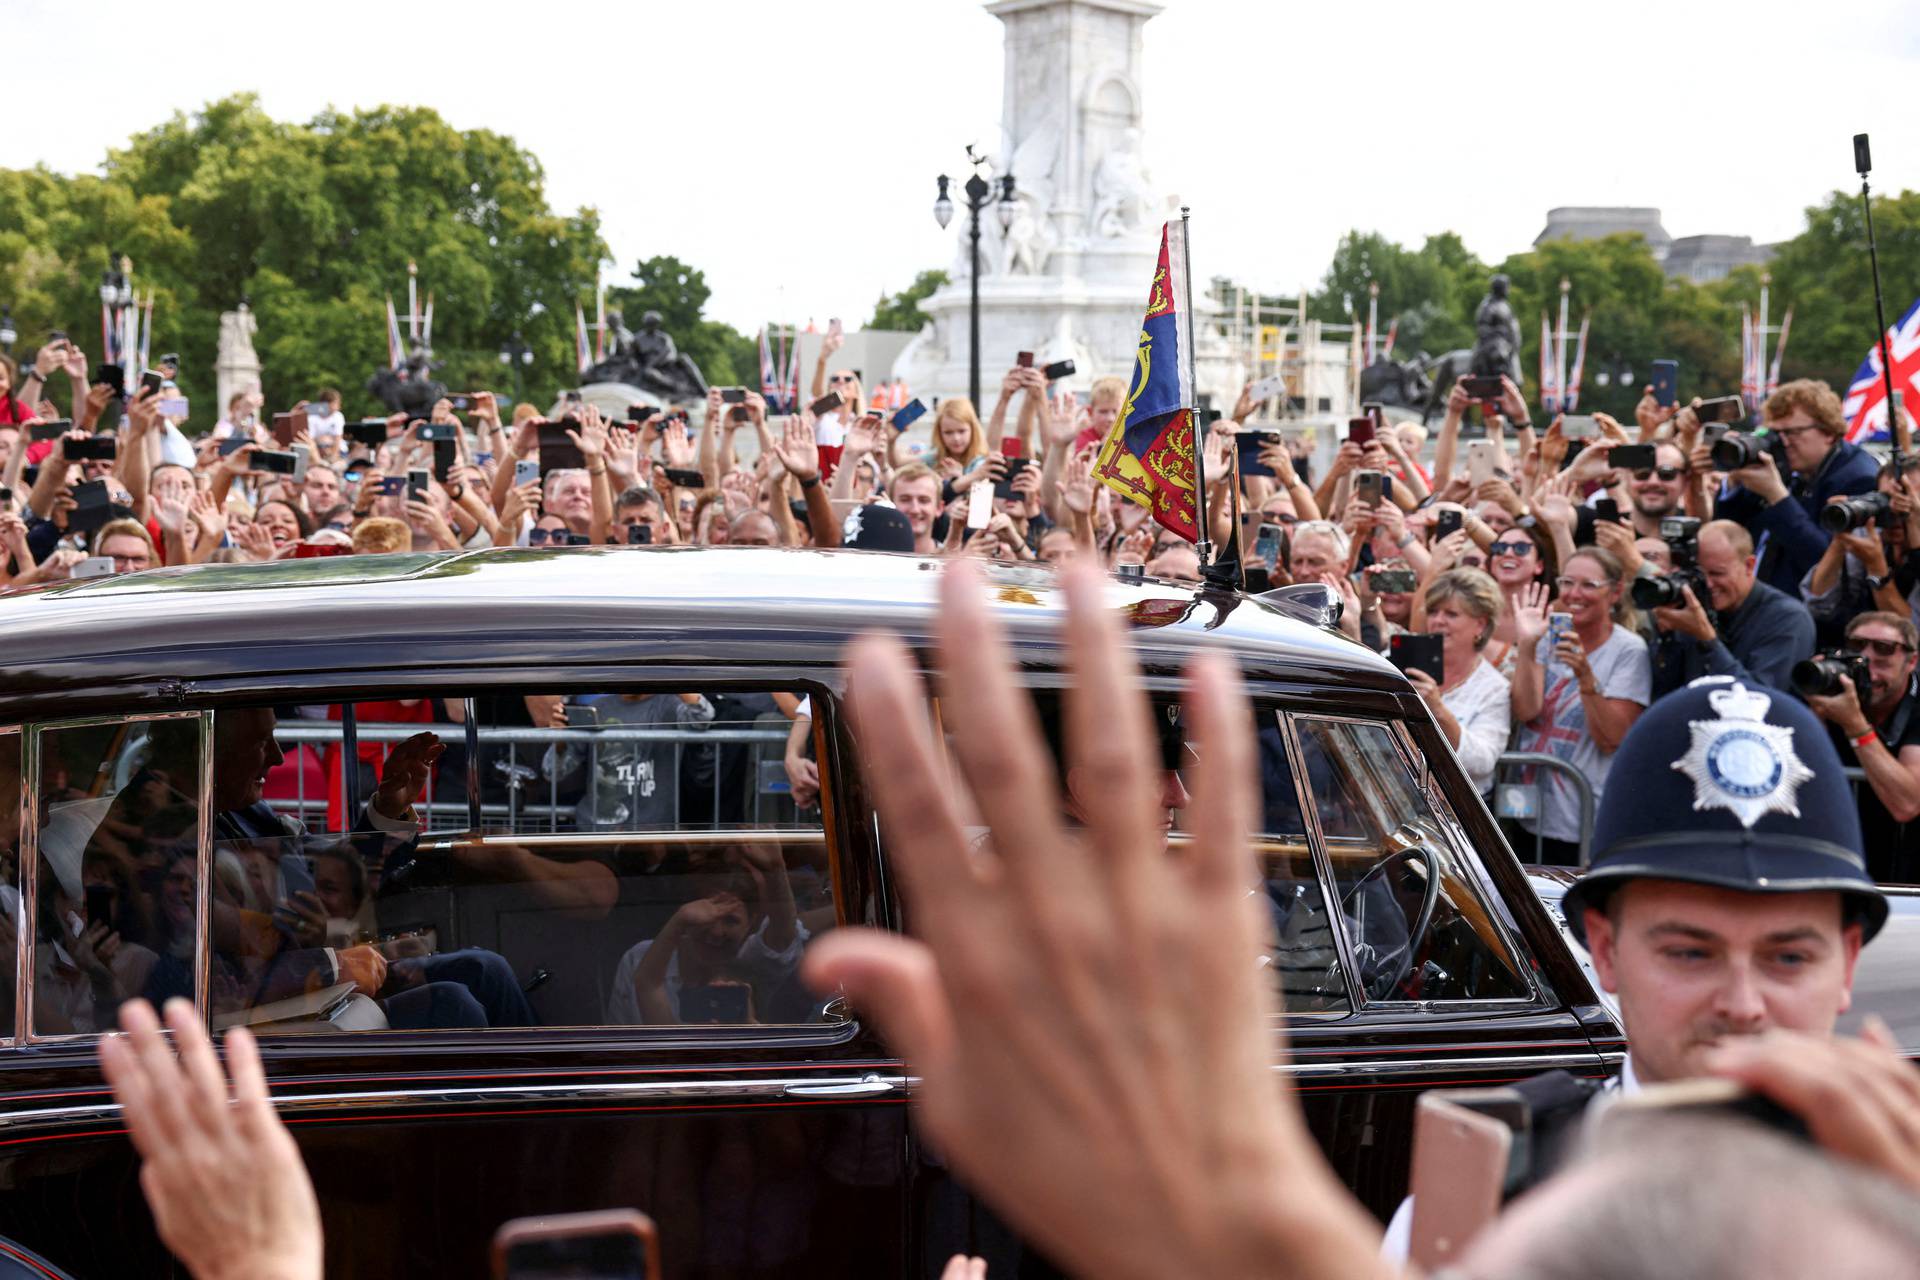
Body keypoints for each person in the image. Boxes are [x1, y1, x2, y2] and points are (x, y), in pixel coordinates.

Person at [1510, 547, 1651, 864]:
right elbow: (1526, 711)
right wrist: (1527, 646)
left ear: (1615, 592)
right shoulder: (1545, 635)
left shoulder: (1629, 649)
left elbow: (1612, 738)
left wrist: (1586, 677)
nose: (1575, 594)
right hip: (1525, 809)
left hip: (1582, 818)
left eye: (1589, 585)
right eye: (1568, 582)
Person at [1711, 378, 1879, 596]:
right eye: (1774, 434)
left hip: (1809, 615)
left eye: (1792, 433)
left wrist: (1777, 496)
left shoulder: (1857, 478)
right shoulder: (1784, 464)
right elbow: (1729, 534)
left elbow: (1822, 560)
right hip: (1755, 602)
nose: (1783, 443)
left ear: (1828, 432)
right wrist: (1733, 484)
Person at [1805, 611, 1920, 881]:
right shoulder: (1831, 694)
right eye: (1857, 650)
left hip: (1906, 881)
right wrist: (1815, 714)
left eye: (1883, 656)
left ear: (1911, 661)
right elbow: (1799, 781)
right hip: (1836, 869)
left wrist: (1855, 725)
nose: (1869, 671)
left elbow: (1906, 803)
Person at [1648, 518, 1815, 697]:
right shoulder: (1692, 607)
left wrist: (1706, 639)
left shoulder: (1788, 618)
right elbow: (1663, 691)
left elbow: (1759, 699)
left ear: (1749, 566)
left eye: (1717, 573)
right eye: (1698, 574)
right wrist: (1666, 636)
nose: (1708, 584)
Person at [1407, 568, 1510, 795]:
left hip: (1459, 810)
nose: (1438, 621)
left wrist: (1438, 709)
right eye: (1433, 612)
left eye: (1451, 614)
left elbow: (1483, 761)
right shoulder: (1404, 663)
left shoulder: (1494, 688)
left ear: (1480, 625)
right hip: (1396, 800)